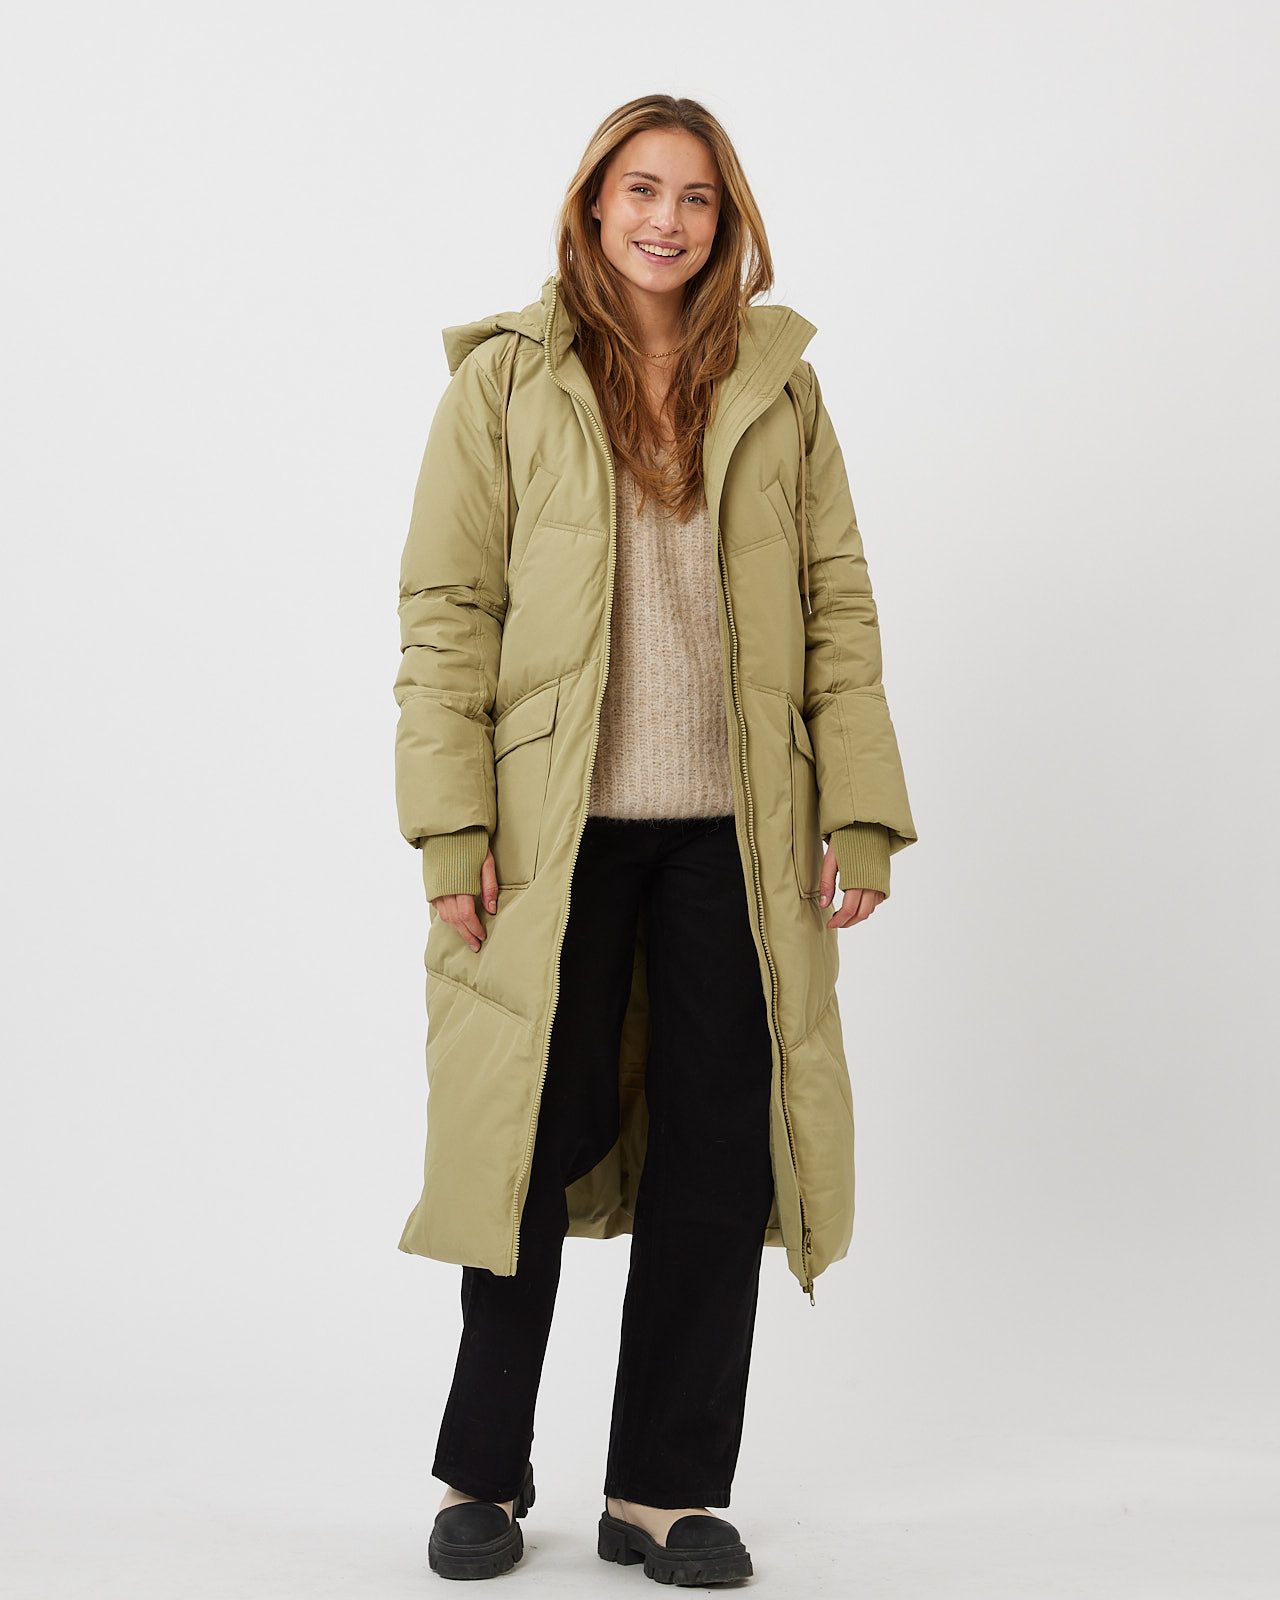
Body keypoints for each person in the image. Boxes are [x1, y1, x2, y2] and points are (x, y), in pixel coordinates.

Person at [392, 94, 919, 1584]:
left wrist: (859, 806)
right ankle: (481, 1473)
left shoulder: (779, 387)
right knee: (521, 1140)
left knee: (715, 1157)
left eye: (695, 197)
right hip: (552, 837)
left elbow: (837, 604)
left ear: (724, 219)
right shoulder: (505, 383)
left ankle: (663, 1493)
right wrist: (450, 823)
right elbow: (446, 615)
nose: (666, 220)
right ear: (593, 202)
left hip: (732, 840)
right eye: (642, 189)